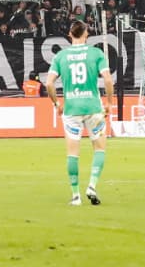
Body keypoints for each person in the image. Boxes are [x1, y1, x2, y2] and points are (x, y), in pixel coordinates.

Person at [50, 21, 111, 206]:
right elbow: (108, 79)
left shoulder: (61, 56)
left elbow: (48, 83)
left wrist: (56, 103)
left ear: (70, 33)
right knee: (99, 149)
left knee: (72, 154)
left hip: (71, 109)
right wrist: (109, 103)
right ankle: (91, 186)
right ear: (86, 34)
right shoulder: (96, 53)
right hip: (93, 107)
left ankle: (76, 196)